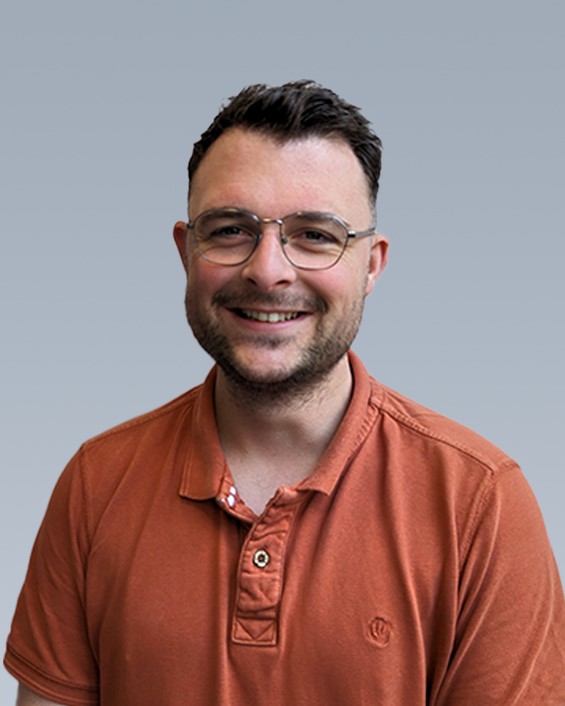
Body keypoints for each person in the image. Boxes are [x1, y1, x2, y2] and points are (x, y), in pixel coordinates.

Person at [5, 80, 565, 706]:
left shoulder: (480, 503)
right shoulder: (96, 485)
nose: (267, 269)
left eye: (315, 235)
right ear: (186, 251)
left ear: (372, 264)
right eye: (230, 229)